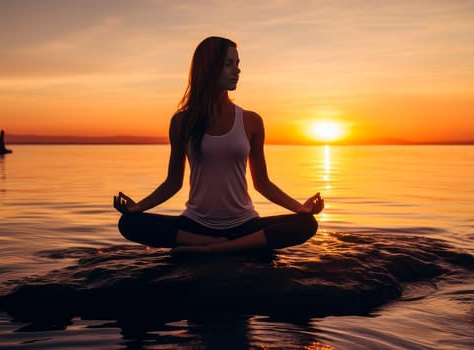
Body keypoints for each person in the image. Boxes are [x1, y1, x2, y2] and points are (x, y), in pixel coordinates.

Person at [114, 36, 324, 255]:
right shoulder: (182, 122)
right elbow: (173, 182)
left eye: (238, 63)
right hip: (194, 224)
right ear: (209, 69)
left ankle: (214, 248)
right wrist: (136, 208)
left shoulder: (251, 121)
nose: (237, 70)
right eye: (229, 64)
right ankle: (208, 243)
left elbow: (262, 183)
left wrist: (300, 208)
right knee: (128, 223)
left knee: (307, 223)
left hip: (244, 224)